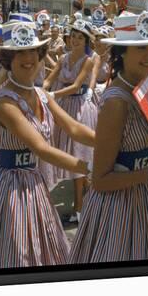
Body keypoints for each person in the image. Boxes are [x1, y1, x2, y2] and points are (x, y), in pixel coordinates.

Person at [0, 21, 94, 270]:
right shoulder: (6, 102)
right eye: (20, 52)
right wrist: (90, 168)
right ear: (8, 58)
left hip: (34, 181)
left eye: (32, 51)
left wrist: (110, 142)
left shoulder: (41, 94)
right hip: (9, 187)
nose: (28, 58)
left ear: (41, 55)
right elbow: (41, 148)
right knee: (14, 253)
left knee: (41, 248)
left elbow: (73, 128)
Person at [69, 12, 148, 263]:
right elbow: (100, 181)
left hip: (142, 197)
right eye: (141, 47)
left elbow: (143, 148)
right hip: (116, 207)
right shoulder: (117, 101)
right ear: (122, 52)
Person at [44, 19, 98, 222]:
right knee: (63, 151)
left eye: (80, 37)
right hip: (63, 106)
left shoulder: (88, 60)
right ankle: (84, 203)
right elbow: (50, 79)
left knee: (79, 154)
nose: (75, 40)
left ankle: (80, 206)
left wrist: (52, 95)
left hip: (79, 108)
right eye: (73, 36)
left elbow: (76, 86)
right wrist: (43, 89)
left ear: (86, 41)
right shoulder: (63, 58)